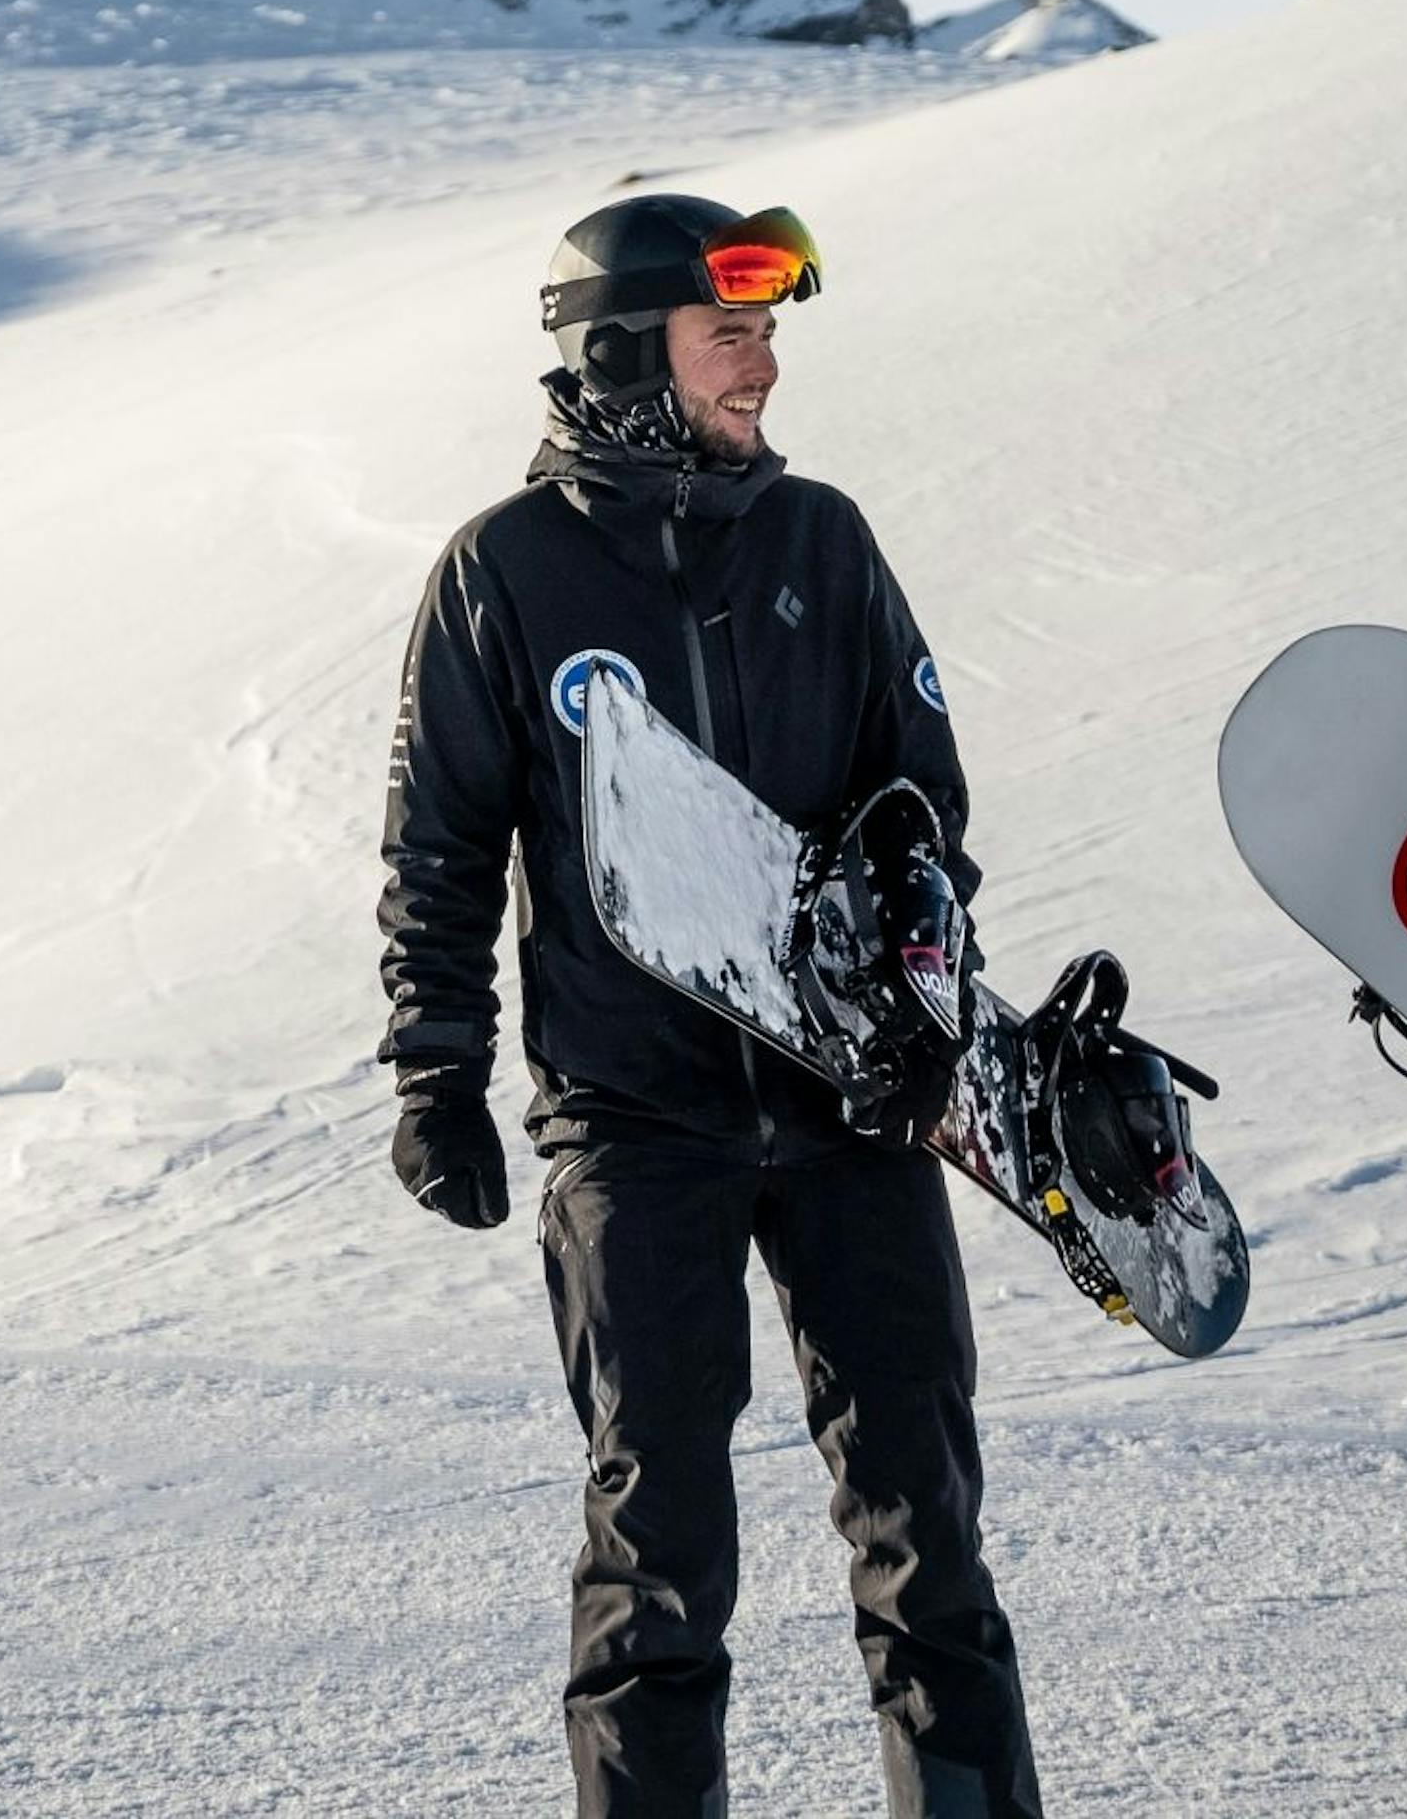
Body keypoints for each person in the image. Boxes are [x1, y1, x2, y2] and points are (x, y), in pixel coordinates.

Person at [375, 192, 1045, 1819]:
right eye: (726, 330)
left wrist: (918, 988)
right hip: (636, 1118)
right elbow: (444, 843)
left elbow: (922, 796)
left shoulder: (821, 534)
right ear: (624, 350)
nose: (762, 363)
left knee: (925, 1531)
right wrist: (435, 1074)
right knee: (658, 1544)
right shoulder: (505, 572)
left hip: (849, 1103)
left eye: (765, 331)